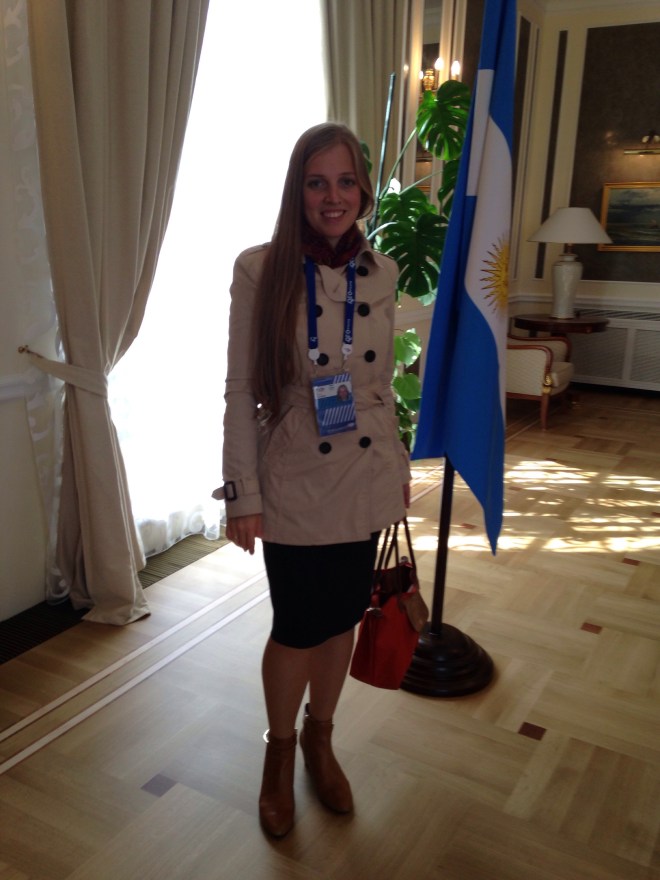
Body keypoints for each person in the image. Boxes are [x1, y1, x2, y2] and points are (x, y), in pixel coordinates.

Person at [216, 122, 410, 838]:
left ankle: (320, 739)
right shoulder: (260, 268)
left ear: (363, 189)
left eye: (346, 181)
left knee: (343, 618)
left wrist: (394, 470)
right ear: (297, 191)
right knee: (298, 625)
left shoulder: (383, 272)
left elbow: (380, 390)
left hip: (364, 472)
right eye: (317, 182)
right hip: (295, 473)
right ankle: (280, 752)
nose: (334, 197)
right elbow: (241, 389)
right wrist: (243, 493)